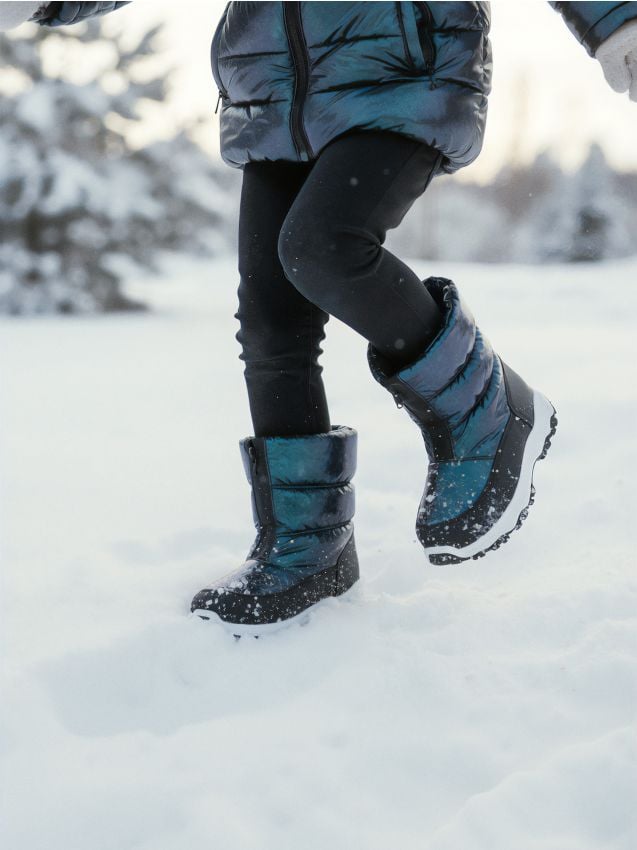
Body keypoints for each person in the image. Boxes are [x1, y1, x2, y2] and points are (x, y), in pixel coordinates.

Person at [3, 2, 637, 635]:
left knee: (323, 248)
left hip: (400, 72)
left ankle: (484, 408)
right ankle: (308, 550)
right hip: (272, 95)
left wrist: (617, 22)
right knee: (270, 323)